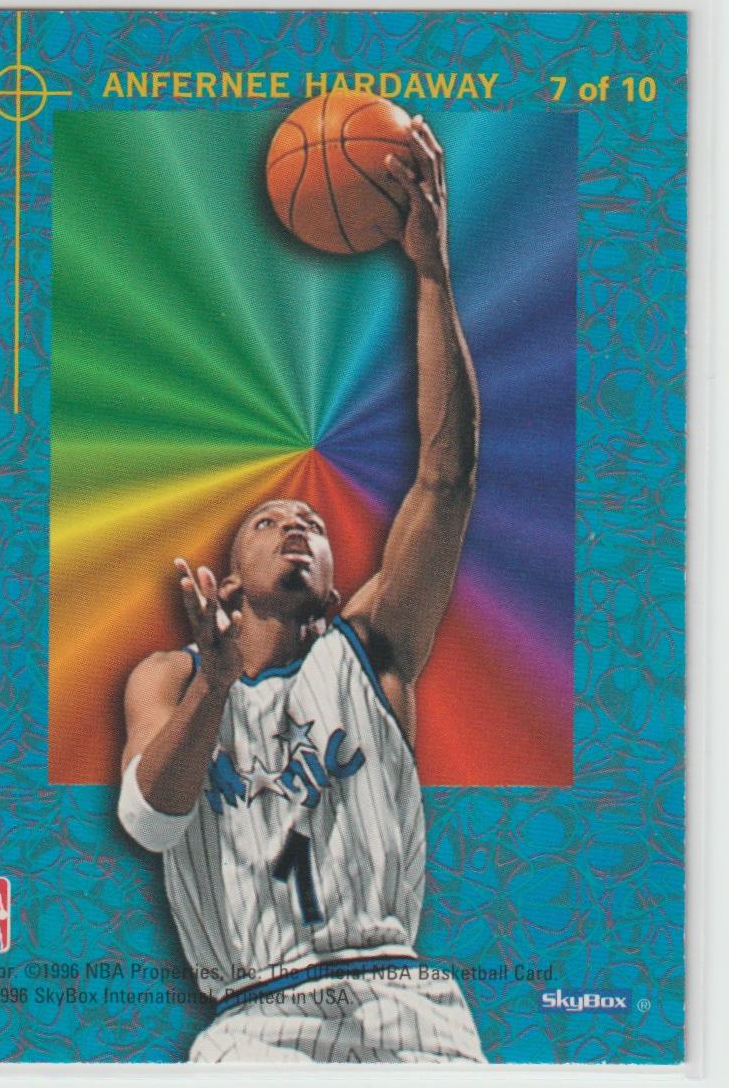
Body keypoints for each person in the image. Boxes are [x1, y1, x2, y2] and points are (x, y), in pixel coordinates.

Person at [118, 116, 485, 1063]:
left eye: (313, 525)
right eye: (268, 521)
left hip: (405, 1006)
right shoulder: (171, 676)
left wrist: (431, 271)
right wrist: (214, 682)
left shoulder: (371, 649)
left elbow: (445, 477)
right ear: (227, 579)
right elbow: (151, 818)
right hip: (255, 1020)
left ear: (330, 582)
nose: (297, 525)